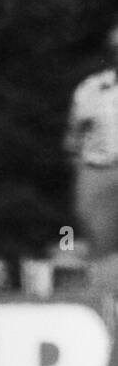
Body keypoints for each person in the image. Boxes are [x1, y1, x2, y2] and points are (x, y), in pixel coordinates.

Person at [65, 20, 118, 270]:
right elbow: (73, 140)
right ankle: (106, 301)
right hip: (99, 171)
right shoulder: (91, 89)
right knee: (101, 245)